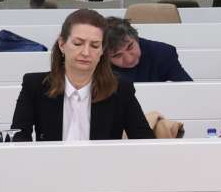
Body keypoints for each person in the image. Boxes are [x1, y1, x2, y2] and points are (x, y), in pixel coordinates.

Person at [9, 9, 155, 141]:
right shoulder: (34, 85)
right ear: (62, 44)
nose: (86, 53)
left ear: (102, 50)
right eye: (78, 43)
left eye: (94, 45)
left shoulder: (121, 88)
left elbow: (145, 140)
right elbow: (18, 138)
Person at [106, 17, 193, 83]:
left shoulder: (162, 53)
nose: (129, 59)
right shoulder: (99, 63)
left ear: (136, 38)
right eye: (117, 55)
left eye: (130, 47)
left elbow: (189, 90)